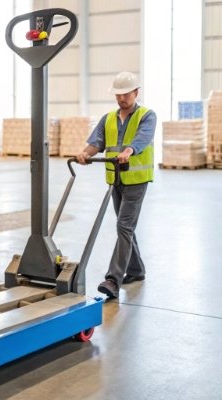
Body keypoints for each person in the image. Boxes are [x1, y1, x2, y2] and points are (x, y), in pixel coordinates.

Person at [76, 71, 156, 299]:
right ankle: (136, 270)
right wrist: (84, 154)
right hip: (115, 179)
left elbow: (142, 139)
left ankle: (113, 280)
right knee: (126, 227)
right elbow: (96, 142)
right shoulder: (108, 118)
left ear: (136, 92)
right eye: (118, 94)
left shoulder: (147, 115)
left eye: (126, 94)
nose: (121, 98)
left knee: (123, 226)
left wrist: (129, 151)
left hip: (136, 180)